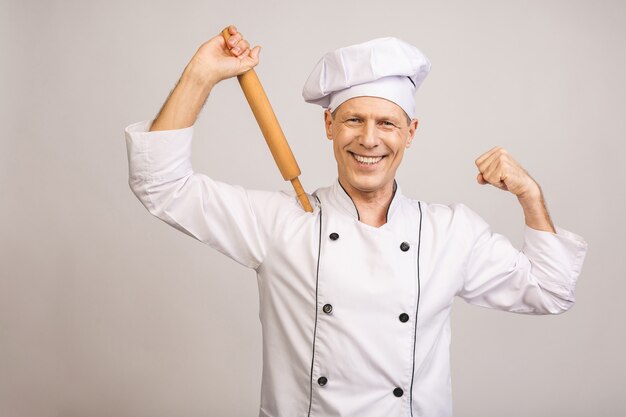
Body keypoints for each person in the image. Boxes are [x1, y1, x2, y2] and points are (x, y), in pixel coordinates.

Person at [124, 25, 588, 417]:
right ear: (329, 125)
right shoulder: (280, 224)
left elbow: (550, 291)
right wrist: (201, 75)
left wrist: (530, 195)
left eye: (387, 123)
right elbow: (162, 185)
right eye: (353, 120)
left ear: (411, 132)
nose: (369, 139)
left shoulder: (450, 233)